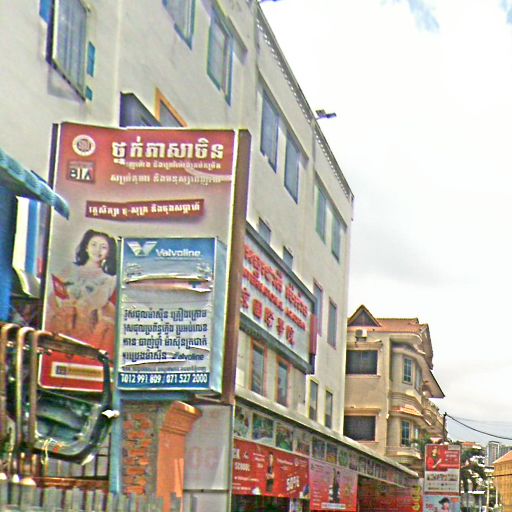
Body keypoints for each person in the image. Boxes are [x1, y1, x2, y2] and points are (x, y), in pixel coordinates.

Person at [46, 229, 117, 354]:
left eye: (103, 247)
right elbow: (52, 294)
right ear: (86, 247)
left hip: (85, 328)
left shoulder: (109, 279)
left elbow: (98, 302)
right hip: (60, 323)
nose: (97, 250)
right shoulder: (70, 268)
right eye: (93, 245)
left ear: (108, 253)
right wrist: (59, 310)